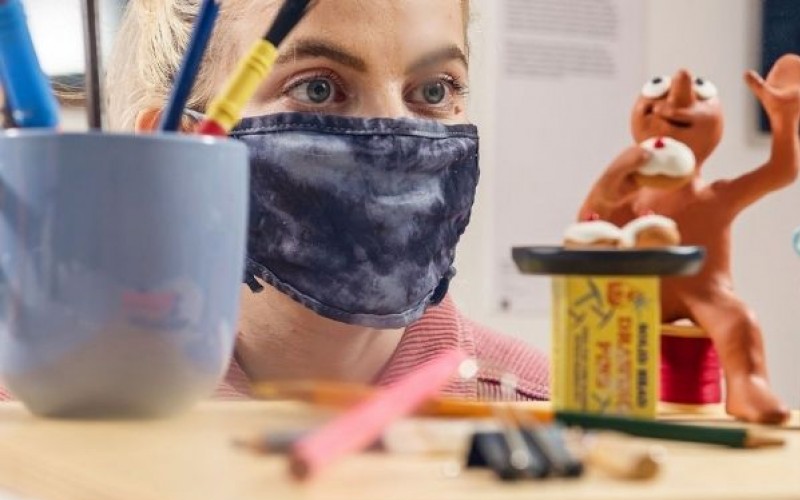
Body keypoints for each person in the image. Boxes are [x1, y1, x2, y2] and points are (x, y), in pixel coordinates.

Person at [105, 0, 550, 400]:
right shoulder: (83, 429)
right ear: (175, 154)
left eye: (435, 90)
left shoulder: (555, 419)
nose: (393, 135)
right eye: (316, 88)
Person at [579, 57, 800, 423]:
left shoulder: (716, 196)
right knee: (598, 325)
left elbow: (781, 171)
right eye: (657, 94)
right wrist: (613, 179)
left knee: (739, 321)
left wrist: (784, 119)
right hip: (637, 293)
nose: (677, 97)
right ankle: (597, 393)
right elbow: (590, 228)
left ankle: (747, 386)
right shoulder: (628, 193)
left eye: (697, 95)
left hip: (708, 292)